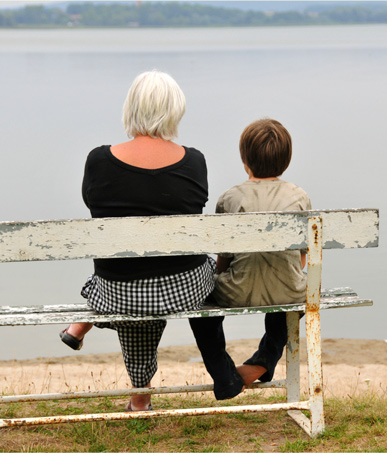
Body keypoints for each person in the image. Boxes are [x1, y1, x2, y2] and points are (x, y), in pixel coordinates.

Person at [59, 70, 244, 410]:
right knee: (176, 272)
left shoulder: (98, 161)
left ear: (130, 108)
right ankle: (187, 377)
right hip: (184, 288)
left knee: (125, 286)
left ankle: (140, 394)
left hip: (119, 290)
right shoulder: (194, 162)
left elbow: (94, 207)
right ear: (176, 110)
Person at [192, 118, 311, 388]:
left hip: (235, 293)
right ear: (287, 160)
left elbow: (223, 261)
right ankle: (264, 360)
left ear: (244, 159)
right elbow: (302, 258)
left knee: (199, 301)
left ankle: (224, 372)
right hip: (288, 290)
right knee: (294, 290)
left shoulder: (230, 198)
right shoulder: (299, 197)